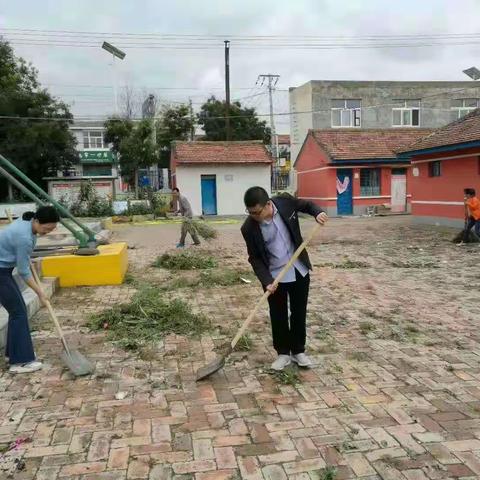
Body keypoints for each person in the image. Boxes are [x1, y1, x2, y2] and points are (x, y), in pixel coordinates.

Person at [241, 187, 328, 371]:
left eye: (257, 212)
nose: (254, 216)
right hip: (274, 276)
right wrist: (266, 280)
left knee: (298, 311)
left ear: (267, 204)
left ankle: (298, 351)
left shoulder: (285, 203)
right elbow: (254, 258)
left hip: (298, 268)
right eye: (250, 213)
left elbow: (306, 205)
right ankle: (282, 354)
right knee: (278, 314)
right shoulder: (248, 227)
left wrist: (318, 212)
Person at [0, 206, 60, 373]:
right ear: (37, 221)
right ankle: (20, 362)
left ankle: (13, 353)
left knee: (17, 311)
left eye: (51, 229)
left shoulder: (28, 223)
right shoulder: (24, 237)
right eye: (46, 228)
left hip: (4, 270)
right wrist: (40, 292)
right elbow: (23, 271)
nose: (47, 232)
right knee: (18, 312)